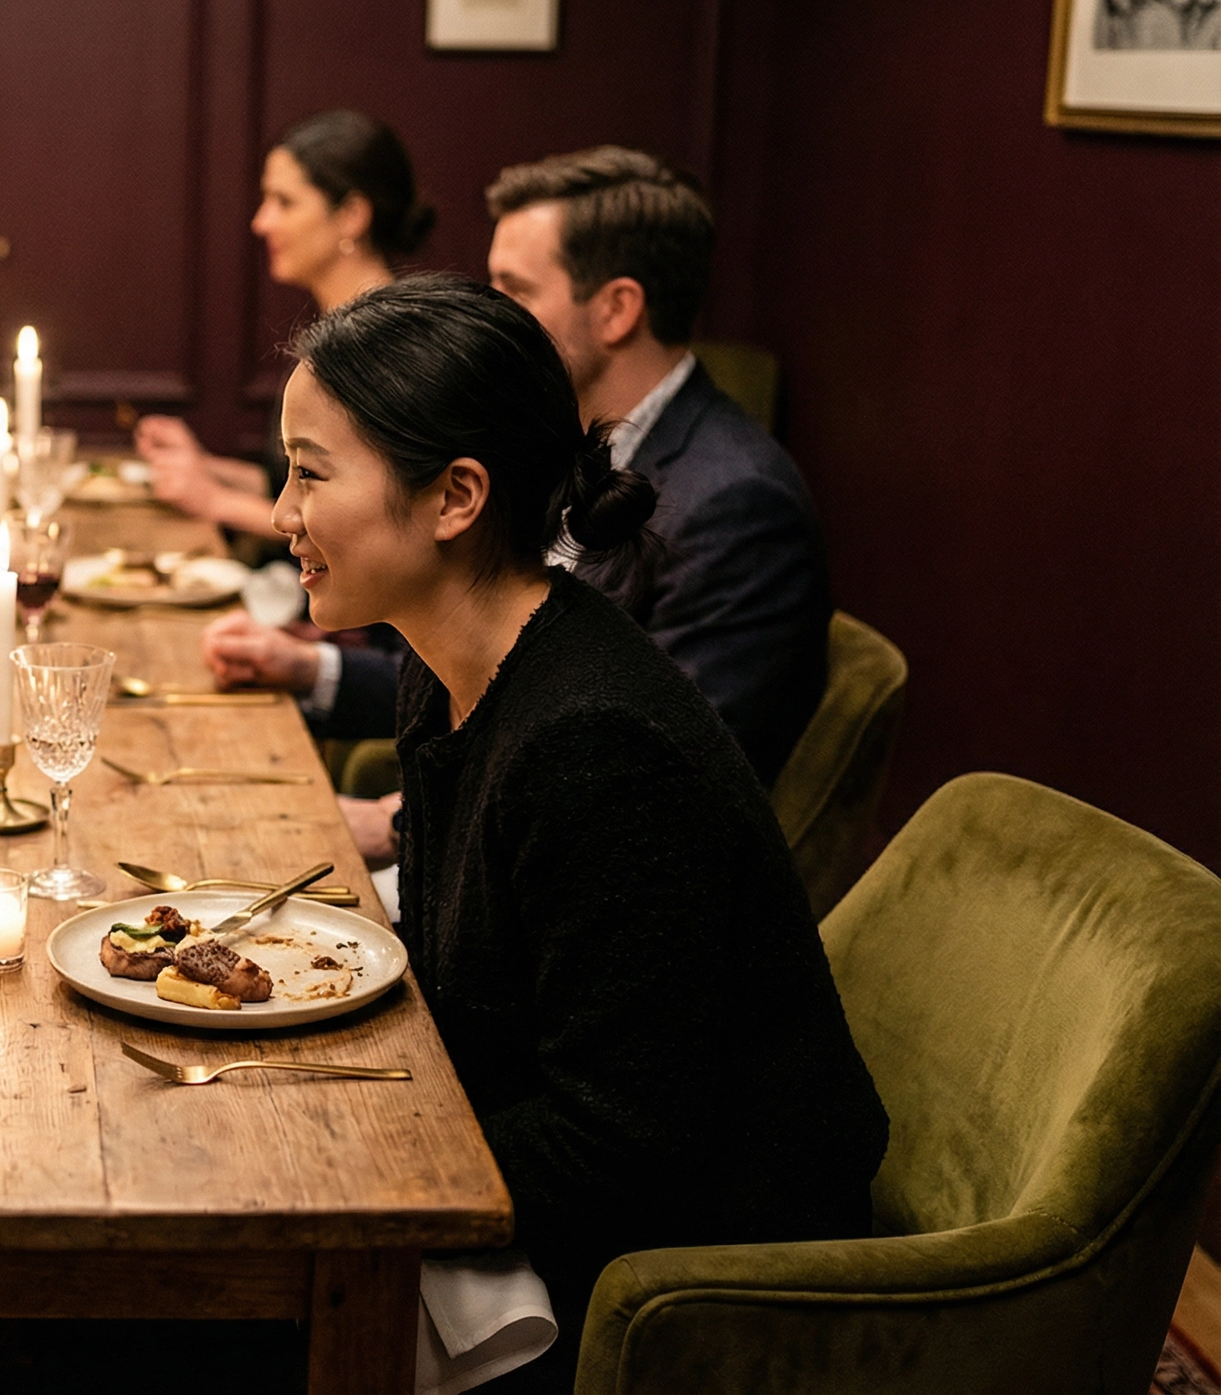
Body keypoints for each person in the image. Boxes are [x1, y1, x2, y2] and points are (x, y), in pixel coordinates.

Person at [274, 274, 886, 1388]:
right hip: (535, 1161)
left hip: (679, 1280)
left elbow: (623, 1145)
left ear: (456, 496)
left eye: (309, 474)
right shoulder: (449, 663)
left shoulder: (591, 740)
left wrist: (338, 1173)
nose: (281, 513)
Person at [208, 146, 830, 863]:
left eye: (514, 288)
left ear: (618, 308)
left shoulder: (734, 501)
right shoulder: (542, 450)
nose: (490, 312)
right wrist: (310, 669)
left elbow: (651, 783)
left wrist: (395, 823)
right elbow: (471, 649)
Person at [133, 109, 433, 537]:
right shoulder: (344, 323)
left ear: (352, 215)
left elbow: (373, 527)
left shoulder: (389, 343)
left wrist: (217, 501)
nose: (261, 222)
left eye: (284, 202)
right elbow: (297, 486)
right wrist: (204, 468)